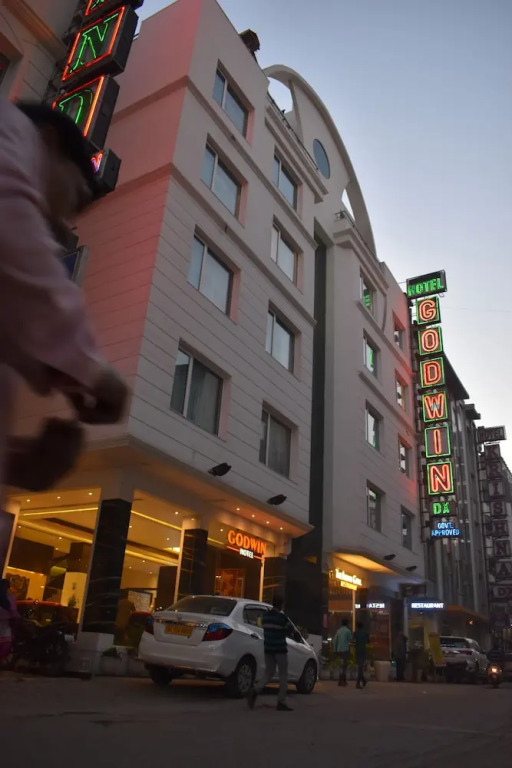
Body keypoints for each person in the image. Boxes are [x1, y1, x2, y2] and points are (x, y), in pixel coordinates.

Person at [0, 98, 129, 496]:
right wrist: (93, 370)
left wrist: (14, 464)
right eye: (72, 197)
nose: (61, 224)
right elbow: (11, 233)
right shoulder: (11, 128)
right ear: (47, 140)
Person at [247, 595, 293, 711]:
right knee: (283, 675)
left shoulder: (266, 617)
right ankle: (281, 701)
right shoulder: (282, 618)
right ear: (281, 605)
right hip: (280, 649)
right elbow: (290, 631)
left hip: (268, 648)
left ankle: (255, 690)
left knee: (269, 673)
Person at [0, 578, 19, 665]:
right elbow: (13, 611)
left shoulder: (9, 597)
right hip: (5, 625)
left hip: (5, 624)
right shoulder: (10, 597)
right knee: (5, 645)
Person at [333, 618, 352, 686]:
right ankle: (342, 681)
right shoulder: (348, 631)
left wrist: (335, 650)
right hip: (345, 650)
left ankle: (342, 680)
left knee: (341, 665)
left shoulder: (338, 631)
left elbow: (335, 641)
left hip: (338, 650)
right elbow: (350, 639)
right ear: (347, 624)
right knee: (344, 665)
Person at [353, 621, 370, 689]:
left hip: (357, 650)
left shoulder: (355, 633)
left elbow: (353, 641)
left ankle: (362, 680)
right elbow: (368, 641)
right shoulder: (365, 633)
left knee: (360, 667)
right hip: (363, 650)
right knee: (361, 667)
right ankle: (359, 682)